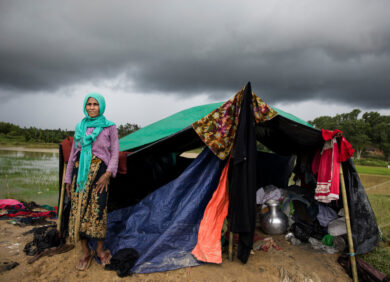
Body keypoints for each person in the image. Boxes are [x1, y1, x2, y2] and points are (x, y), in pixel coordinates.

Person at [64, 93, 119, 271]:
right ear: (85, 106)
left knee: (98, 210)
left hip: (99, 174)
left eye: (95, 104)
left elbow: (115, 153)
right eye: (89, 104)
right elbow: (73, 155)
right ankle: (86, 251)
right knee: (79, 210)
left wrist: (108, 174)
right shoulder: (80, 126)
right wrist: (67, 179)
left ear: (101, 107)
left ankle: (100, 249)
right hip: (79, 175)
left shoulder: (109, 127)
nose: (92, 107)